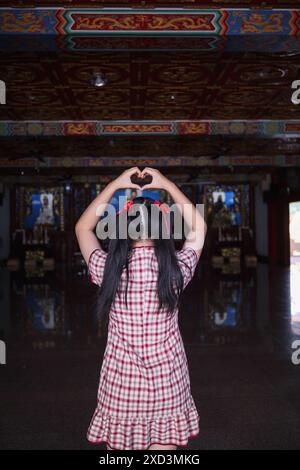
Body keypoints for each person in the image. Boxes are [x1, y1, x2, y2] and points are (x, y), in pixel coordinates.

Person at [75, 167, 207, 451]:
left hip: (122, 390)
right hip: (168, 388)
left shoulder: (108, 270)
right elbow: (198, 228)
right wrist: (167, 185)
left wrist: (115, 185)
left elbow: (82, 228)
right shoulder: (176, 271)